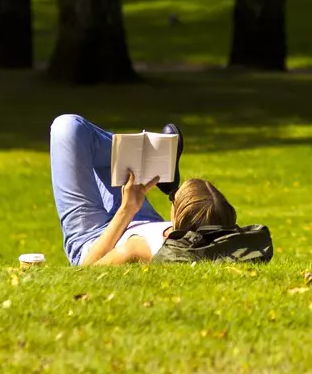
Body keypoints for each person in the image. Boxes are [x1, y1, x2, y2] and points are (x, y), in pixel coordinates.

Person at [49, 113, 237, 267]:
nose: (172, 199)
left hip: (95, 238)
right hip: (140, 216)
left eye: (174, 198)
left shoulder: (143, 247)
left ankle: (155, 157)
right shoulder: (212, 230)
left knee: (67, 128)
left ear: (180, 217)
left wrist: (127, 209)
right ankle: (155, 159)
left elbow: (88, 268)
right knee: (108, 158)